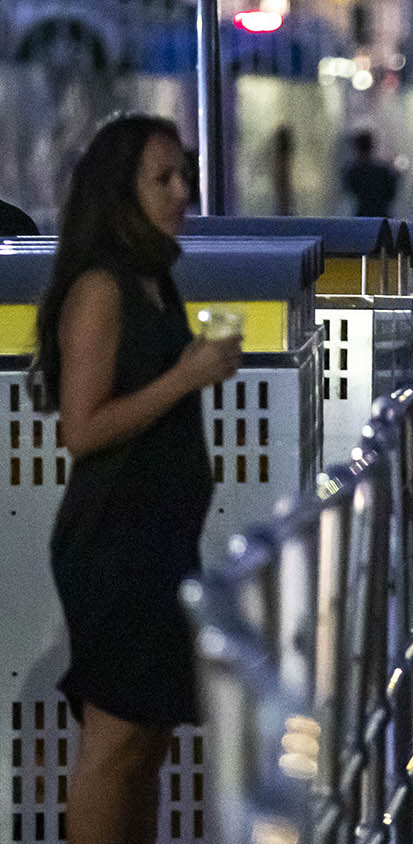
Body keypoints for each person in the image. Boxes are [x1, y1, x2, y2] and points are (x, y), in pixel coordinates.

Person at [30, 115, 241, 844]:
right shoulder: (103, 288)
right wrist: (186, 376)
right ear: (121, 192)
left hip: (159, 538)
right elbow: (82, 429)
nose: (183, 191)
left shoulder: (154, 281)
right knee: (114, 744)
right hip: (114, 541)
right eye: (164, 178)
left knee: (148, 741)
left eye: (186, 174)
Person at [342, 130, 399, 217]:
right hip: (382, 217)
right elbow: (392, 193)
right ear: (372, 146)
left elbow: (349, 190)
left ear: (357, 148)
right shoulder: (384, 169)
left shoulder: (353, 171)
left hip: (362, 217)